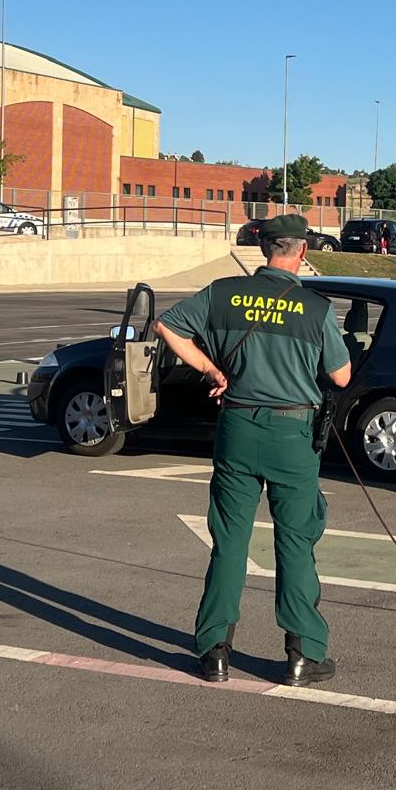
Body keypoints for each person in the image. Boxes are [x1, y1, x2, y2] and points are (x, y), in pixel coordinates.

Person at [156, 213, 352, 686]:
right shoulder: (315, 308)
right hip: (292, 434)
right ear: (302, 252)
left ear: (264, 249)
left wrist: (211, 370)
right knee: (296, 542)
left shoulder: (223, 293)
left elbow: (168, 326)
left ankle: (214, 651)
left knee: (229, 541)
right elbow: (342, 376)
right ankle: (302, 654)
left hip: (237, 427)